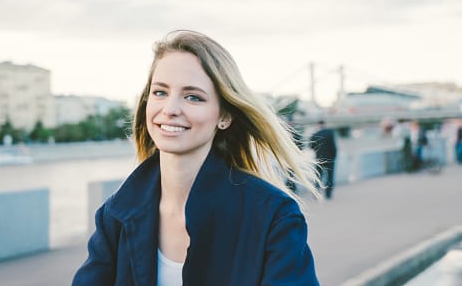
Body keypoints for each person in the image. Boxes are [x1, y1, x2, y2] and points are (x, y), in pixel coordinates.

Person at [72, 30, 321, 285]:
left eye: (193, 97)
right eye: (160, 92)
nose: (170, 109)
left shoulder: (273, 217)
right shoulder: (116, 215)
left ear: (224, 116)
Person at [310, 120, 337, 199]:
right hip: (329, 158)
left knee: (318, 177)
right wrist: (334, 156)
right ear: (324, 124)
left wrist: (317, 152)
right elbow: (333, 146)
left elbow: (311, 146)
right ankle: (328, 194)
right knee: (329, 177)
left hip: (318, 159)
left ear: (318, 125)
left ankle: (316, 193)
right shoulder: (330, 133)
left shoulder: (315, 134)